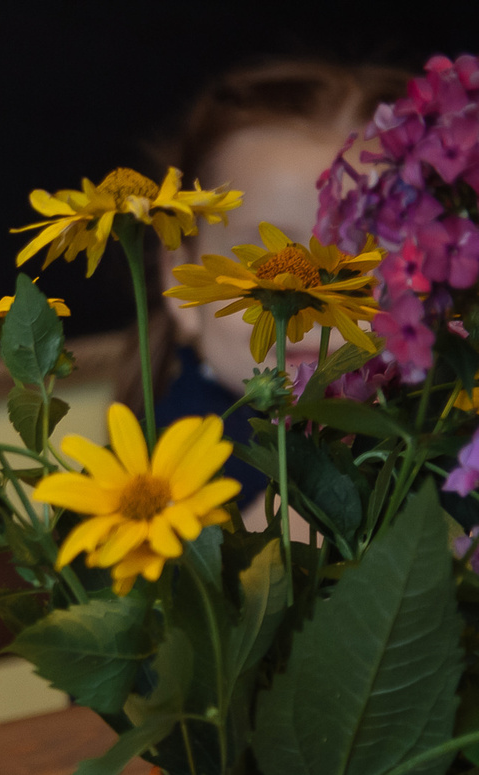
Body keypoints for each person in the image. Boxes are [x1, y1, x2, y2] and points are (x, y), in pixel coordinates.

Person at [149, 59, 409, 522]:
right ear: (179, 281)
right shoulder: (148, 481)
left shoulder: (436, 433)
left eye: (358, 264)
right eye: (269, 265)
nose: (307, 300)